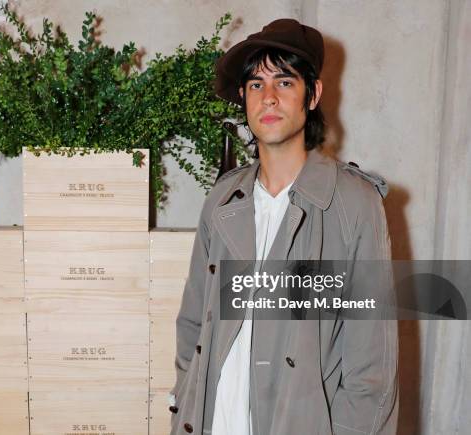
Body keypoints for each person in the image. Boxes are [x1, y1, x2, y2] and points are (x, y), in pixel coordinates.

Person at [169, 19, 398, 435]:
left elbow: (371, 369)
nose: (268, 97)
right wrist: (185, 394)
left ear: (313, 94)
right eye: (255, 84)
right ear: (242, 97)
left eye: (284, 82)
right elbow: (191, 326)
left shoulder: (354, 205)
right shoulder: (222, 201)